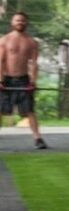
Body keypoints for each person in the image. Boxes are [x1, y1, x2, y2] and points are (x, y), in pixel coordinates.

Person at [0, 11, 48, 149]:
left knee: (29, 110)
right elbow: (1, 61)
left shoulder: (31, 42)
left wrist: (33, 81)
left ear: (26, 23)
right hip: (6, 79)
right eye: (17, 20)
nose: (20, 22)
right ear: (12, 22)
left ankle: (38, 139)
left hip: (23, 79)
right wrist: (0, 81)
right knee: (1, 109)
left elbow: (34, 63)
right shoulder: (4, 40)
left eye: (22, 20)